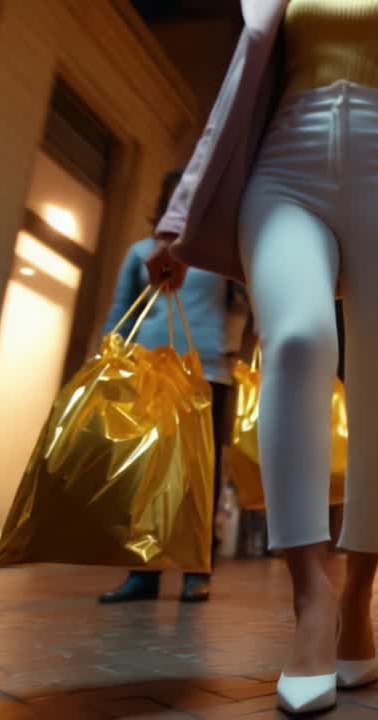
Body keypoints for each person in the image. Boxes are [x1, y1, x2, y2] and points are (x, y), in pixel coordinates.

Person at [145, 1, 378, 713]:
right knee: (301, 338)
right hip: (285, 164)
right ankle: (311, 598)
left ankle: (360, 598)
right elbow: (230, 100)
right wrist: (182, 215)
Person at [97, 169, 246, 605]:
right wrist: (107, 364)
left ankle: (196, 571)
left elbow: (247, 303)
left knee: (199, 478)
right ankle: (141, 573)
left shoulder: (222, 254)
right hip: (147, 370)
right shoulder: (140, 252)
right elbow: (119, 314)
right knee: (142, 473)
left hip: (206, 372)